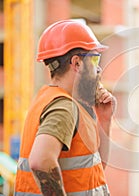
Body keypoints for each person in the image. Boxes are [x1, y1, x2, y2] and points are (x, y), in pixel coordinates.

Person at [14, 20, 115, 196]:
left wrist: (104, 120)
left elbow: (94, 169)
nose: (98, 69)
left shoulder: (57, 100)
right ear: (76, 63)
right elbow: (40, 161)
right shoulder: (63, 106)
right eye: (94, 58)